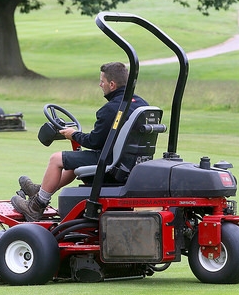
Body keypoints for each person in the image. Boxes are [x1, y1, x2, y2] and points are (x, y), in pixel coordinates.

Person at [11, 62, 148, 221]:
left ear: (112, 84)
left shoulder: (111, 109)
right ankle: (41, 190)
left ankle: (36, 206)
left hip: (111, 166)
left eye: (102, 81)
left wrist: (74, 135)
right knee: (74, 161)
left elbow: (94, 141)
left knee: (56, 159)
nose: (100, 84)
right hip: (130, 164)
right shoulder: (141, 104)